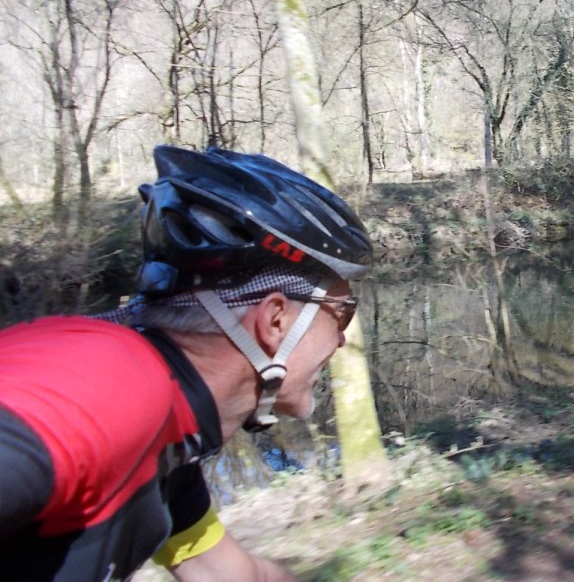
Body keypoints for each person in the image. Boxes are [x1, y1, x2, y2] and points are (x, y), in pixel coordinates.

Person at [0, 146, 373, 581]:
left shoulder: (169, 445)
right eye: (342, 313)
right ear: (275, 321)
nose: (341, 340)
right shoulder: (100, 384)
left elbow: (231, 574)